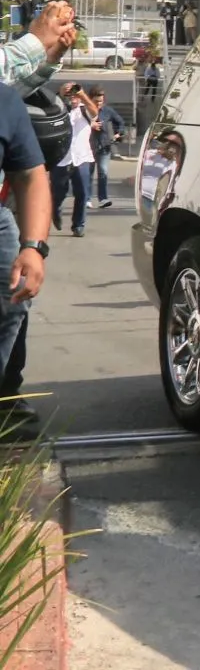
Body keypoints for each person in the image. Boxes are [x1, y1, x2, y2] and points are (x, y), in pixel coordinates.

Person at [0, 82, 51, 438]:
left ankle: (4, 397)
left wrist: (33, 247)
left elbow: (30, 174)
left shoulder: (3, 100)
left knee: (10, 306)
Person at [51, 83, 98, 237]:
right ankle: (56, 211)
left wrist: (82, 94)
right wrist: (59, 91)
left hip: (82, 158)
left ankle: (78, 225)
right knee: (58, 193)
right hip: (61, 160)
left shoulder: (85, 110)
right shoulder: (59, 110)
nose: (73, 98)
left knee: (82, 194)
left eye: (75, 95)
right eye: (70, 95)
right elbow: (48, 106)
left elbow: (95, 111)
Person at [87, 85, 124, 208]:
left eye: (101, 101)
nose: (98, 104)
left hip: (104, 146)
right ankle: (87, 199)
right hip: (88, 147)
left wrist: (119, 133)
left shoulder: (108, 111)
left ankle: (103, 199)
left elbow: (120, 121)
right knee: (89, 173)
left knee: (103, 172)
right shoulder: (84, 111)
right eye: (96, 101)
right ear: (90, 99)